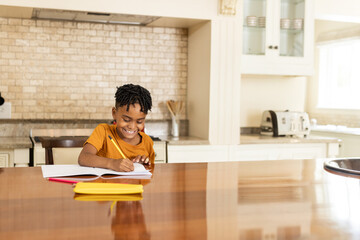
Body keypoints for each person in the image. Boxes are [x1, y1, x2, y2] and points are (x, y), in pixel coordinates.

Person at [78, 84, 155, 172]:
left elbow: (150, 172)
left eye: (139, 121)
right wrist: (112, 163)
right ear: (114, 113)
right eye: (126, 119)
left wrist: (142, 165)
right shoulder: (104, 131)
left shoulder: (147, 142)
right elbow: (83, 157)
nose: (132, 126)